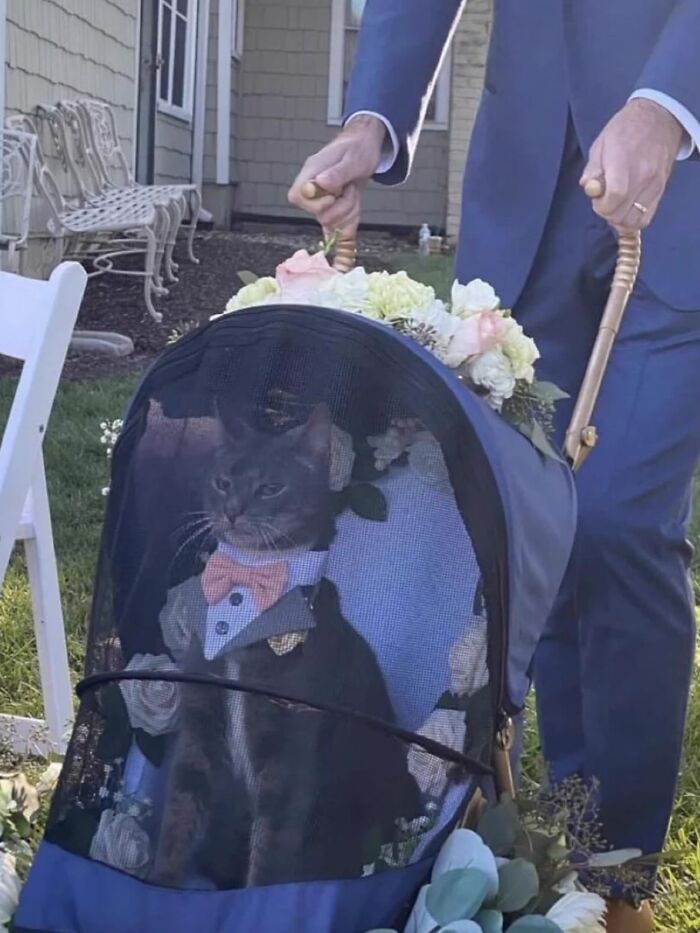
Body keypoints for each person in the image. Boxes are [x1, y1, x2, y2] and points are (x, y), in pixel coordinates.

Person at [288, 3, 700, 931]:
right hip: (527, 191)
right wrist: (372, 119)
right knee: (532, 518)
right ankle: (563, 841)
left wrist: (670, 101)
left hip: (682, 181)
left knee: (619, 521)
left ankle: (620, 881)